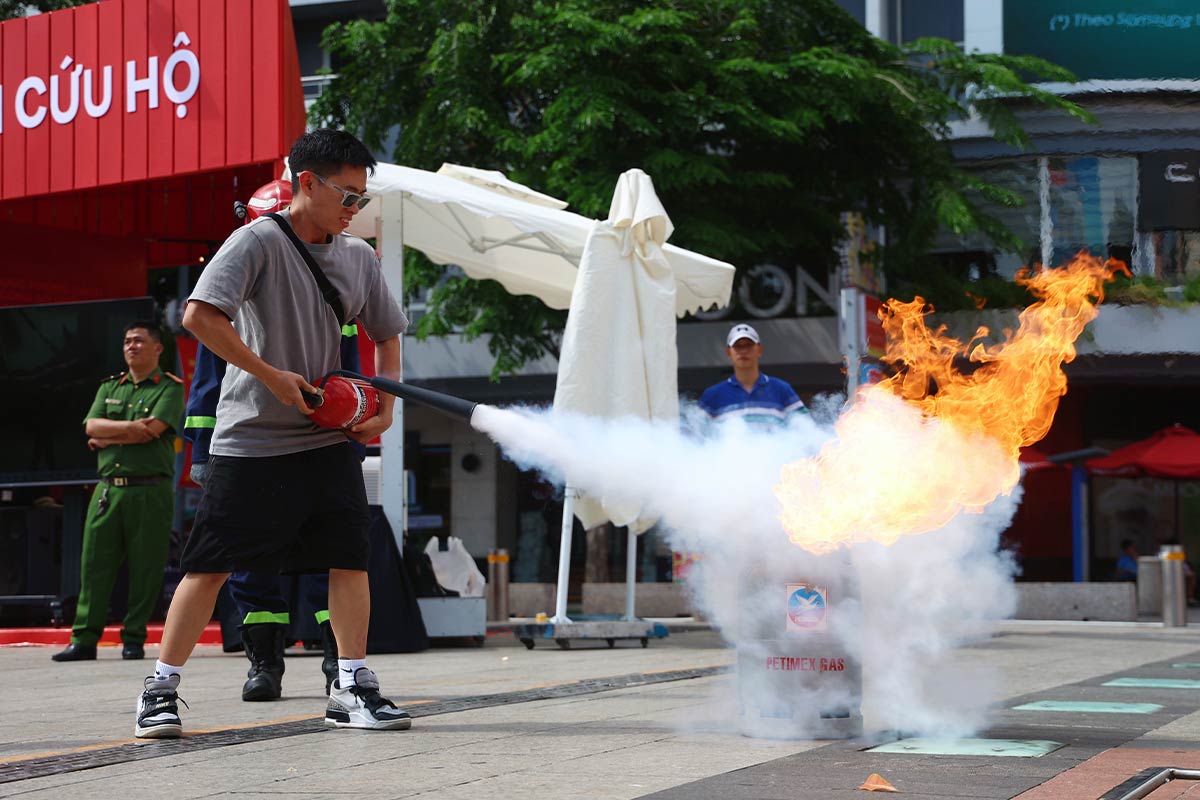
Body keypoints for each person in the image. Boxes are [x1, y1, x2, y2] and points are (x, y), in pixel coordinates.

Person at [135, 129, 409, 739]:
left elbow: (387, 332)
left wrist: (385, 404)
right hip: (251, 440)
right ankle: (159, 691)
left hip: (328, 440)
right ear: (307, 183)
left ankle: (351, 686)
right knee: (208, 567)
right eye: (347, 195)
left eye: (363, 198)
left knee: (349, 560)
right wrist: (270, 376)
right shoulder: (256, 241)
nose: (355, 209)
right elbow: (199, 316)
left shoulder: (358, 257)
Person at [185, 328, 365, 701]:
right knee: (249, 564)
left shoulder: (334, 295)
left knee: (329, 559)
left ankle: (339, 664)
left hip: (321, 440)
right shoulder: (235, 297)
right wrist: (202, 449)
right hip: (250, 444)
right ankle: (265, 664)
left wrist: (353, 430)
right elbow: (210, 369)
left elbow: (349, 366)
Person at [53, 321, 184, 663]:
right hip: (108, 489)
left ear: (158, 348)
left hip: (150, 490)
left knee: (146, 567)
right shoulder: (110, 386)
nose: (131, 346)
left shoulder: (170, 388)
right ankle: (84, 639)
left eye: (139, 340)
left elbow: (153, 429)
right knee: (94, 565)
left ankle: (134, 638)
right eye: (127, 341)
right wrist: (129, 429)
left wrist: (107, 438)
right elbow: (92, 426)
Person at [698, 323, 807, 426]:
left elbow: (805, 430)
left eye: (748, 345)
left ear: (759, 350)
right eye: (737, 346)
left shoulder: (782, 390)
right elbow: (697, 435)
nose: (743, 351)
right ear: (728, 352)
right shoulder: (712, 396)